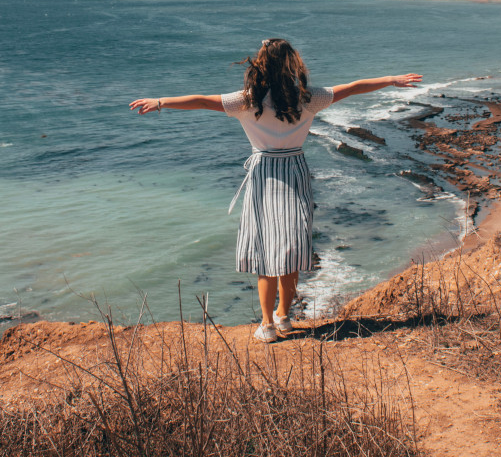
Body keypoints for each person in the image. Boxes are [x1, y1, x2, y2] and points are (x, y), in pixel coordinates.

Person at [130, 38, 422, 343]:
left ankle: (267, 324)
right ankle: (284, 317)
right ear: (292, 65)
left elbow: (202, 101)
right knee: (290, 249)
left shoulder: (248, 101)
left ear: (261, 66)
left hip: (264, 174)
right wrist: (391, 80)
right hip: (295, 171)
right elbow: (353, 87)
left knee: (265, 252)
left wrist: (161, 101)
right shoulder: (308, 99)